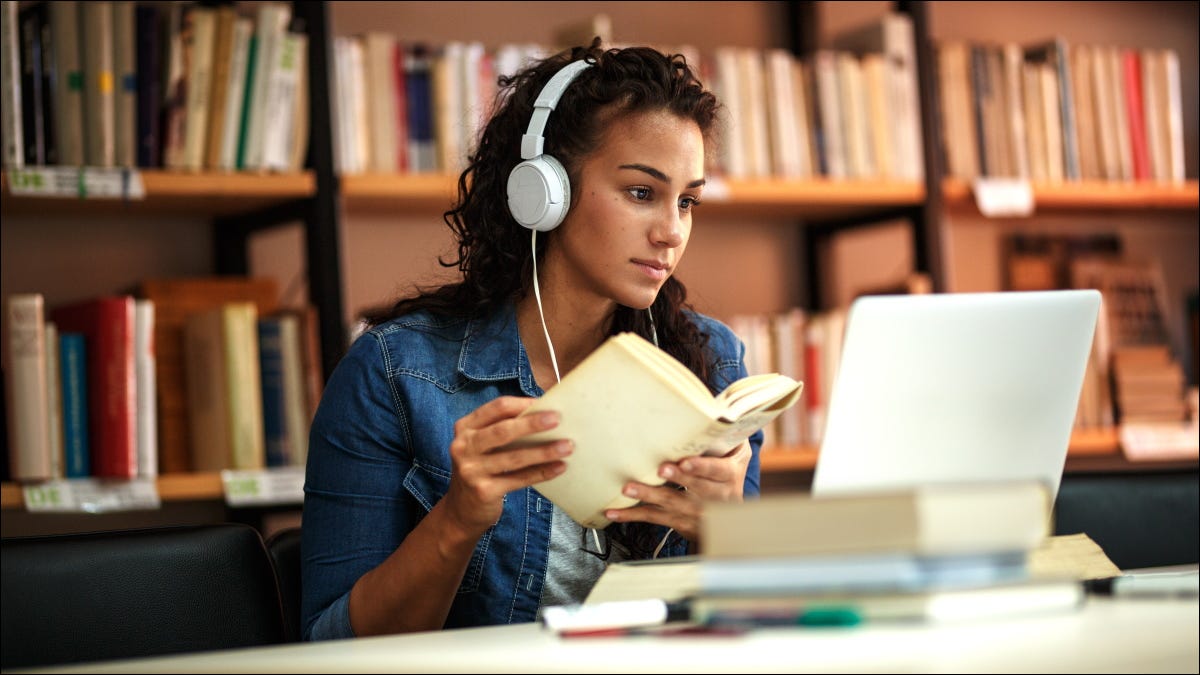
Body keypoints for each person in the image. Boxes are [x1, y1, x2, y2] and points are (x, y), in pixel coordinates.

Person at [301, 41, 763, 640]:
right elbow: (332, 644)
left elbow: (747, 628)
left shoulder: (711, 363)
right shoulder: (393, 374)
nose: (672, 232)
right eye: (641, 193)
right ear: (546, 192)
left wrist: (729, 532)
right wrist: (458, 519)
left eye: (688, 200)